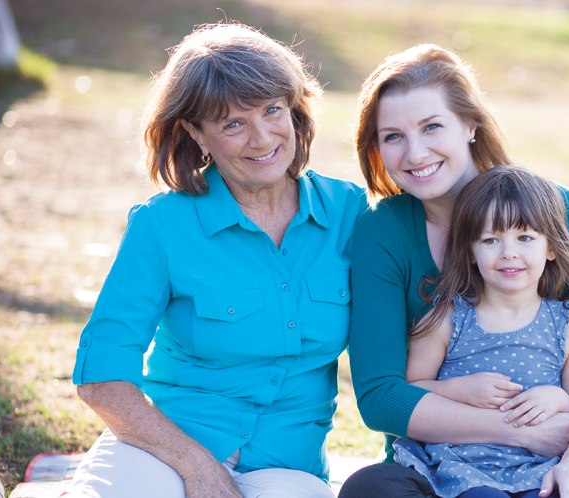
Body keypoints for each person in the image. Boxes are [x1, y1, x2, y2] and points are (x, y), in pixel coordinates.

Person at [340, 44, 569, 498]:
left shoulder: (555, 208)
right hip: (440, 468)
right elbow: (382, 397)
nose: (415, 153)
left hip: (549, 464)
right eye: (392, 136)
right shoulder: (384, 229)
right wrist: (518, 431)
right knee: (371, 489)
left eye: (432, 126)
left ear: (470, 124)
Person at [69, 23, 365, 498]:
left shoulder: (350, 213)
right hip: (165, 446)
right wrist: (196, 465)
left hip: (285, 464)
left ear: (294, 109)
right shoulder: (162, 225)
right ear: (196, 133)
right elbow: (101, 377)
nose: (262, 137)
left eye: (272, 110)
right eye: (233, 123)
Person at [393, 166, 569, 498]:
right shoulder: (446, 321)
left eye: (525, 238)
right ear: (471, 251)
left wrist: (558, 398)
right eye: (490, 240)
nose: (509, 252)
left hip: (539, 471)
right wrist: (459, 389)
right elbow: (411, 389)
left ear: (551, 248)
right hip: (460, 468)